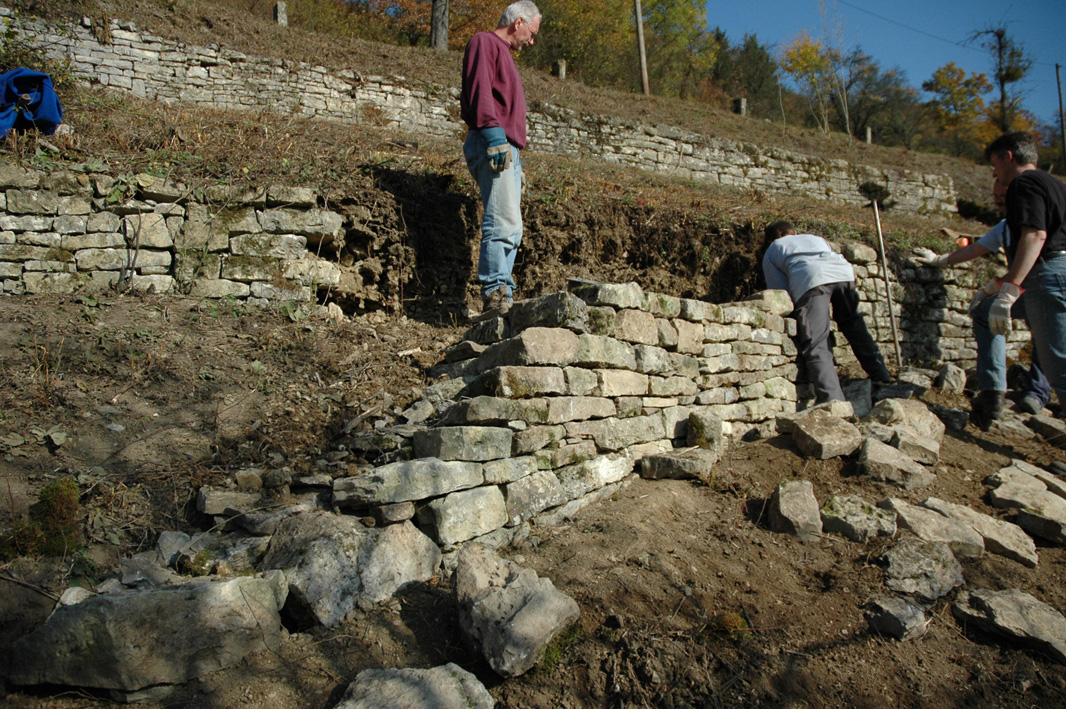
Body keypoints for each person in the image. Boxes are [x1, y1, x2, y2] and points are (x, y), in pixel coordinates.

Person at [913, 180, 1051, 426]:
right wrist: (940, 260)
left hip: (1048, 287)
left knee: (1047, 334)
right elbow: (975, 249)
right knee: (988, 314)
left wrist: (1000, 290)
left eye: (1004, 195)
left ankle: (1033, 393)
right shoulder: (1005, 227)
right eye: (995, 195)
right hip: (1024, 288)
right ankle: (996, 394)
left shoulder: (1041, 222)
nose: (998, 200)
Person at [460, 1, 541, 313]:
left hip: (506, 146)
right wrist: (494, 136)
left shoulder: (504, 54)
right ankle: (496, 293)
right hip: (493, 139)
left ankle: (503, 287)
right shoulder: (485, 42)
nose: (531, 41)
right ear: (518, 22)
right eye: (531, 33)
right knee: (502, 220)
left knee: (512, 223)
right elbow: (478, 89)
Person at [981, 131, 1066, 415]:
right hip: (1056, 271)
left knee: (1060, 370)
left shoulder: (1023, 183)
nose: (994, 171)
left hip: (1047, 275)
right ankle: (992, 392)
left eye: (995, 163)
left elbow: (1036, 236)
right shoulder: (1056, 185)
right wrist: (996, 288)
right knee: (984, 311)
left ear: (1008, 157)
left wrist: (1010, 289)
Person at [762, 221, 892, 404]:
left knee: (817, 343)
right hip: (844, 274)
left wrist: (795, 317)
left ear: (770, 239)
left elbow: (780, 293)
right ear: (795, 232)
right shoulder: (817, 239)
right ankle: (881, 376)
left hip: (812, 279)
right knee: (853, 324)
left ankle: (834, 403)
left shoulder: (773, 249)